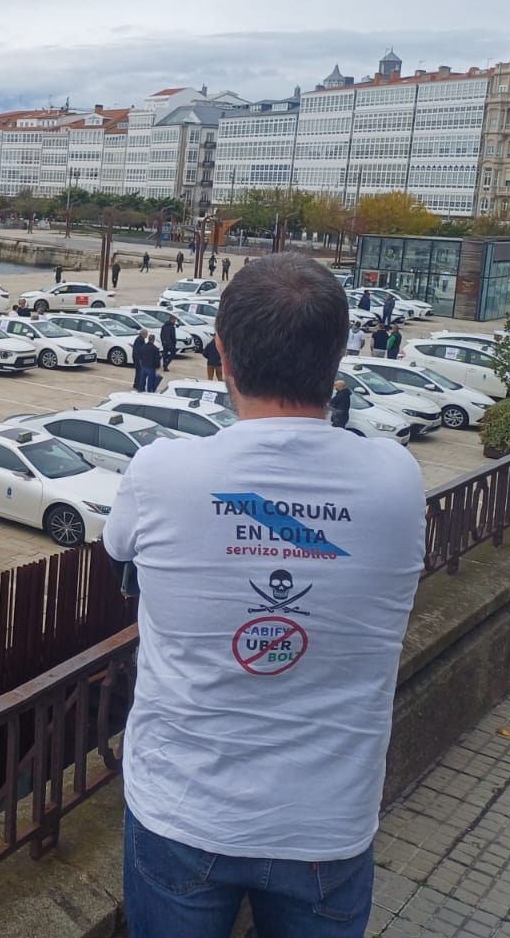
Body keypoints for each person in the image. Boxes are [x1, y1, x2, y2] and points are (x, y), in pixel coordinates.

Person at [103, 253, 424, 938]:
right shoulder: (396, 479)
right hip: (327, 820)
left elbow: (118, 547)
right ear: (338, 356)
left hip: (183, 809)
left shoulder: (163, 470)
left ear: (221, 353)